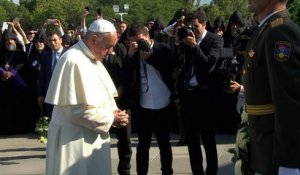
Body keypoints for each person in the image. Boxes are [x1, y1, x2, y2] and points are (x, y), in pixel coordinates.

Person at [44, 19, 129, 175]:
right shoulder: (73, 60)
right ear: (94, 39)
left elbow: (103, 96)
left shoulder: (92, 58)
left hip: (90, 140)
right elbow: (75, 111)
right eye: (108, 46)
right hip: (75, 144)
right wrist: (111, 118)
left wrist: (115, 112)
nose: (110, 52)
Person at [227, 0, 300, 174]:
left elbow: (290, 103)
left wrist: (289, 164)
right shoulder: (266, 29)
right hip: (262, 148)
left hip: (273, 155)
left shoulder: (280, 31)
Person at [174, 9, 223, 175]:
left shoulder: (214, 40)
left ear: (204, 24)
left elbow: (209, 64)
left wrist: (195, 46)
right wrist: (178, 42)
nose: (192, 30)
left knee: (208, 139)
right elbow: (176, 63)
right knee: (192, 140)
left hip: (205, 96)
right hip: (188, 95)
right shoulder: (185, 41)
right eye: (190, 27)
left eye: (196, 27)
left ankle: (211, 172)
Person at [127, 23, 174, 175]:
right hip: (143, 103)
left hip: (163, 101)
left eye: (140, 40)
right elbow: (126, 75)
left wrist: (150, 57)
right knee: (143, 145)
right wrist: (130, 55)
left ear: (147, 36)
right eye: (134, 41)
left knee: (164, 143)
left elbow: (169, 70)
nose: (139, 44)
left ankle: (167, 171)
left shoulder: (163, 48)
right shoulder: (133, 53)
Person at [103, 42, 133, 175]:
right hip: (102, 104)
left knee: (124, 139)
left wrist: (120, 90)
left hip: (121, 103)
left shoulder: (119, 56)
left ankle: (124, 169)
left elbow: (126, 77)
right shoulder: (94, 61)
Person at [38, 31, 66, 117]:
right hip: (50, 94)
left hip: (64, 94)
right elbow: (42, 76)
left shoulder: (68, 54)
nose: (53, 43)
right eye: (50, 41)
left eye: (55, 40)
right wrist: (41, 94)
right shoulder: (45, 56)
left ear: (60, 40)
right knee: (52, 118)